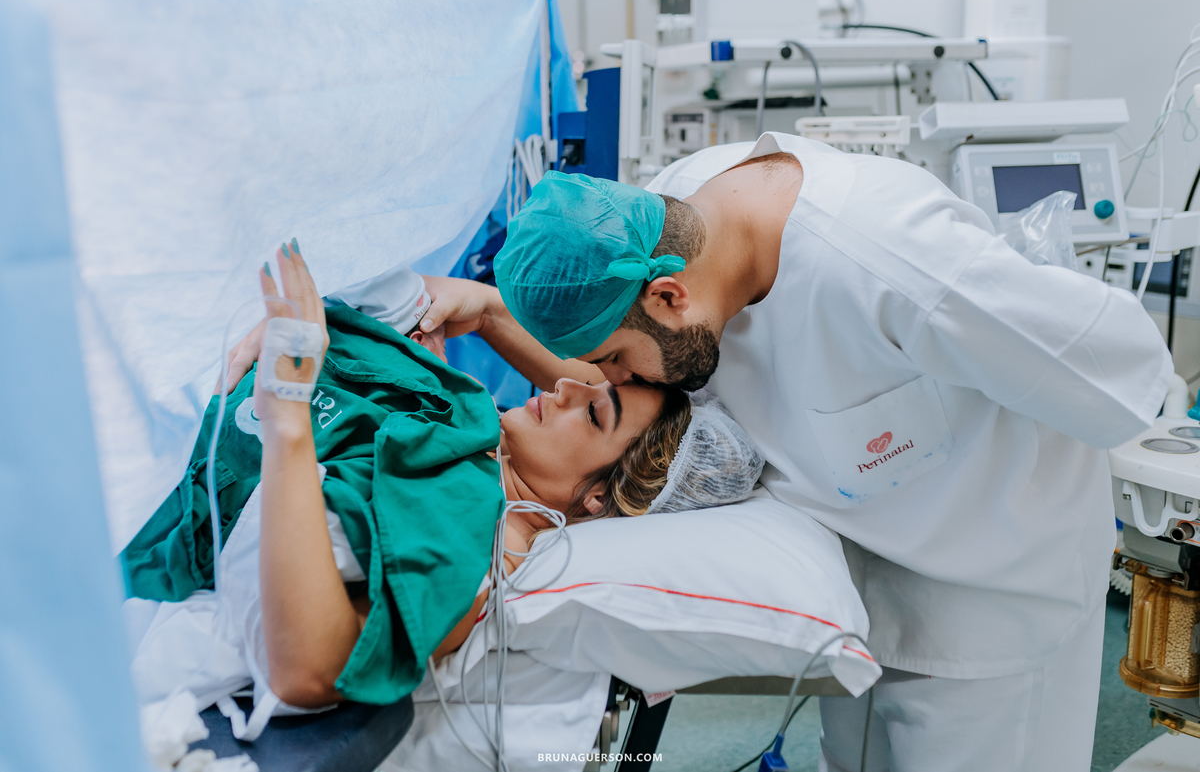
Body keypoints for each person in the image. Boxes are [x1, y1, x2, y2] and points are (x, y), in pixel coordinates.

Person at [416, 135, 1173, 771]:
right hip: (869, 588)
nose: (599, 380)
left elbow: (1125, 371)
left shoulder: (895, 263)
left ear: (671, 297)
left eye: (614, 361)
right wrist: (489, 313)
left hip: (996, 592)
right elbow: (619, 403)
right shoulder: (671, 221)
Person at [121, 241, 761, 732]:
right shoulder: (468, 430)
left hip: (143, 504)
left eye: (593, 413)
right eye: (591, 382)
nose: (563, 388)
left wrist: (290, 413)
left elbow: (309, 671)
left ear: (598, 497)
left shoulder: (480, 540)